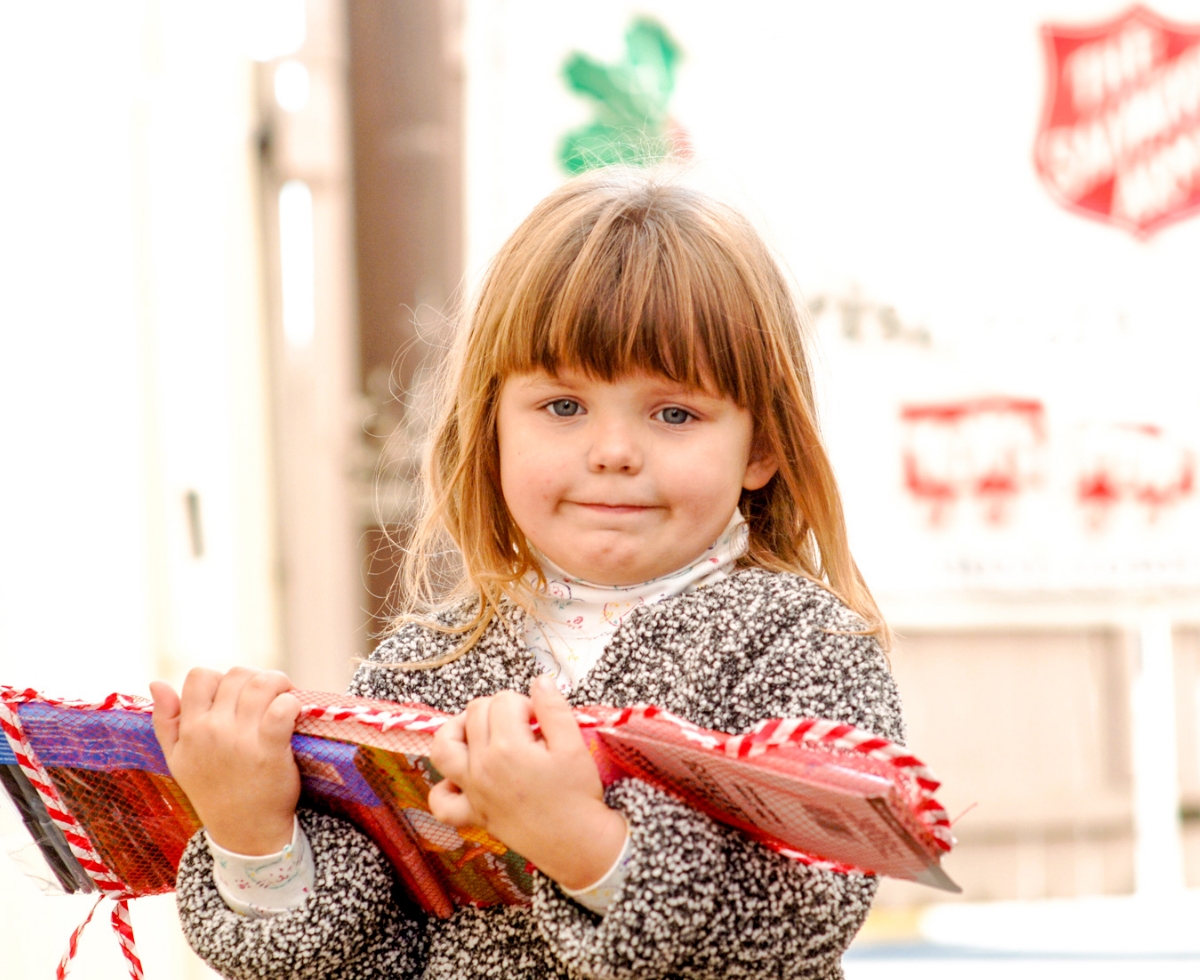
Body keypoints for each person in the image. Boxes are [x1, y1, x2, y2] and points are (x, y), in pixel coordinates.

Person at [150, 166, 903, 980]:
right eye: (563, 407)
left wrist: (574, 840)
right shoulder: (422, 667)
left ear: (761, 446)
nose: (612, 452)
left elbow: (808, 916)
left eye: (675, 413)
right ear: (493, 428)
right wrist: (251, 830)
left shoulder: (802, 643)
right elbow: (367, 960)